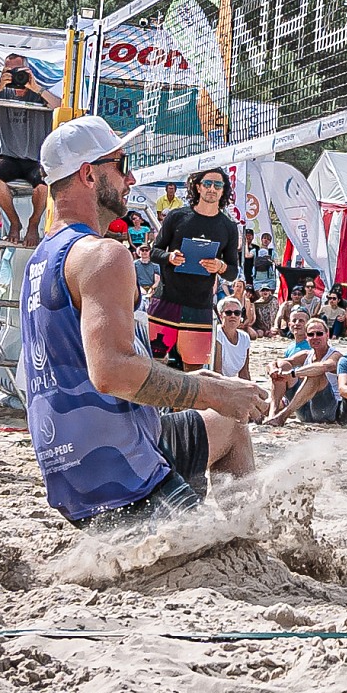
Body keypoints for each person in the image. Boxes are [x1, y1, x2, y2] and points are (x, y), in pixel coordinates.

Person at [19, 116, 267, 532]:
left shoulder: (40, 260)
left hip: (70, 468)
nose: (131, 178)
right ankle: (239, 545)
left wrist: (201, 387)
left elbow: (80, 369)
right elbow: (111, 372)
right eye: (122, 165)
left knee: (229, 425)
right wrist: (212, 391)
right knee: (217, 552)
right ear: (88, 174)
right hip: (121, 475)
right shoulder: (103, 255)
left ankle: (248, 535)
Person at [148, 168, 240, 370]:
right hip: (166, 301)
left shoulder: (228, 227)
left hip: (200, 307)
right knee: (154, 364)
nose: (212, 189)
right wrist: (169, 257)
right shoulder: (177, 216)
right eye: (207, 184)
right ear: (198, 187)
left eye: (218, 185)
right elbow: (154, 251)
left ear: (223, 190)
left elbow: (233, 272)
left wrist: (220, 266)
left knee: (195, 371)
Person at [0, 53, 61, 248]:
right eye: (9, 72)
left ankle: (33, 224)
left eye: (19, 72)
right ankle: (14, 222)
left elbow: (61, 108)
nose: (15, 77)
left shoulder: (39, 91)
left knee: (44, 183)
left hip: (37, 158)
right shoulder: (1, 92)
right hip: (10, 156)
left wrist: (36, 87)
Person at [266, 317, 343, 426]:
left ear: (327, 334)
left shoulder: (336, 355)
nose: (315, 337)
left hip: (326, 410)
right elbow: (277, 362)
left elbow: (325, 366)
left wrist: (294, 373)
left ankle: (283, 415)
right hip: (304, 408)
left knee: (316, 374)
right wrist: (273, 370)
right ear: (307, 337)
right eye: (311, 334)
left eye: (319, 334)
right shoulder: (306, 354)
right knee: (283, 366)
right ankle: (272, 414)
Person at [213, 296, 252, 379]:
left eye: (237, 313)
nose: (233, 316)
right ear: (220, 316)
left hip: (229, 381)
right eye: (228, 313)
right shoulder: (217, 334)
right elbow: (217, 372)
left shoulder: (245, 338)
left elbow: (244, 372)